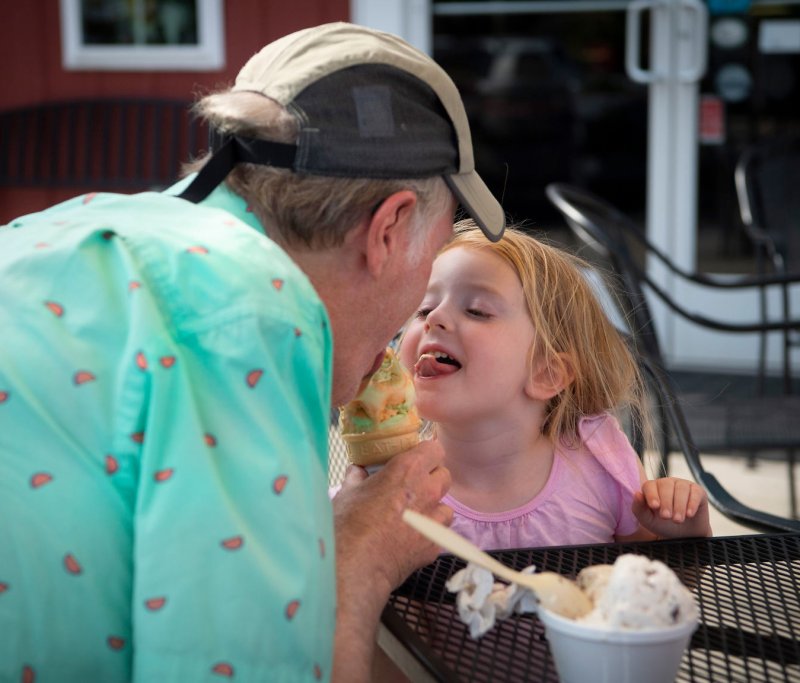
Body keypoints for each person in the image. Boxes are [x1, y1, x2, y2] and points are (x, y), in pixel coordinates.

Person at [0, 23, 506, 682]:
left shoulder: (76, 224)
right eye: (434, 254)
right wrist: (361, 556)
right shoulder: (248, 315)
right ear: (387, 229)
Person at [399, 220, 712, 550]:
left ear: (545, 373)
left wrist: (683, 537)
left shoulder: (600, 463)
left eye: (477, 311)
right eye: (423, 308)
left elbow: (648, 588)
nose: (434, 318)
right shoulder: (392, 482)